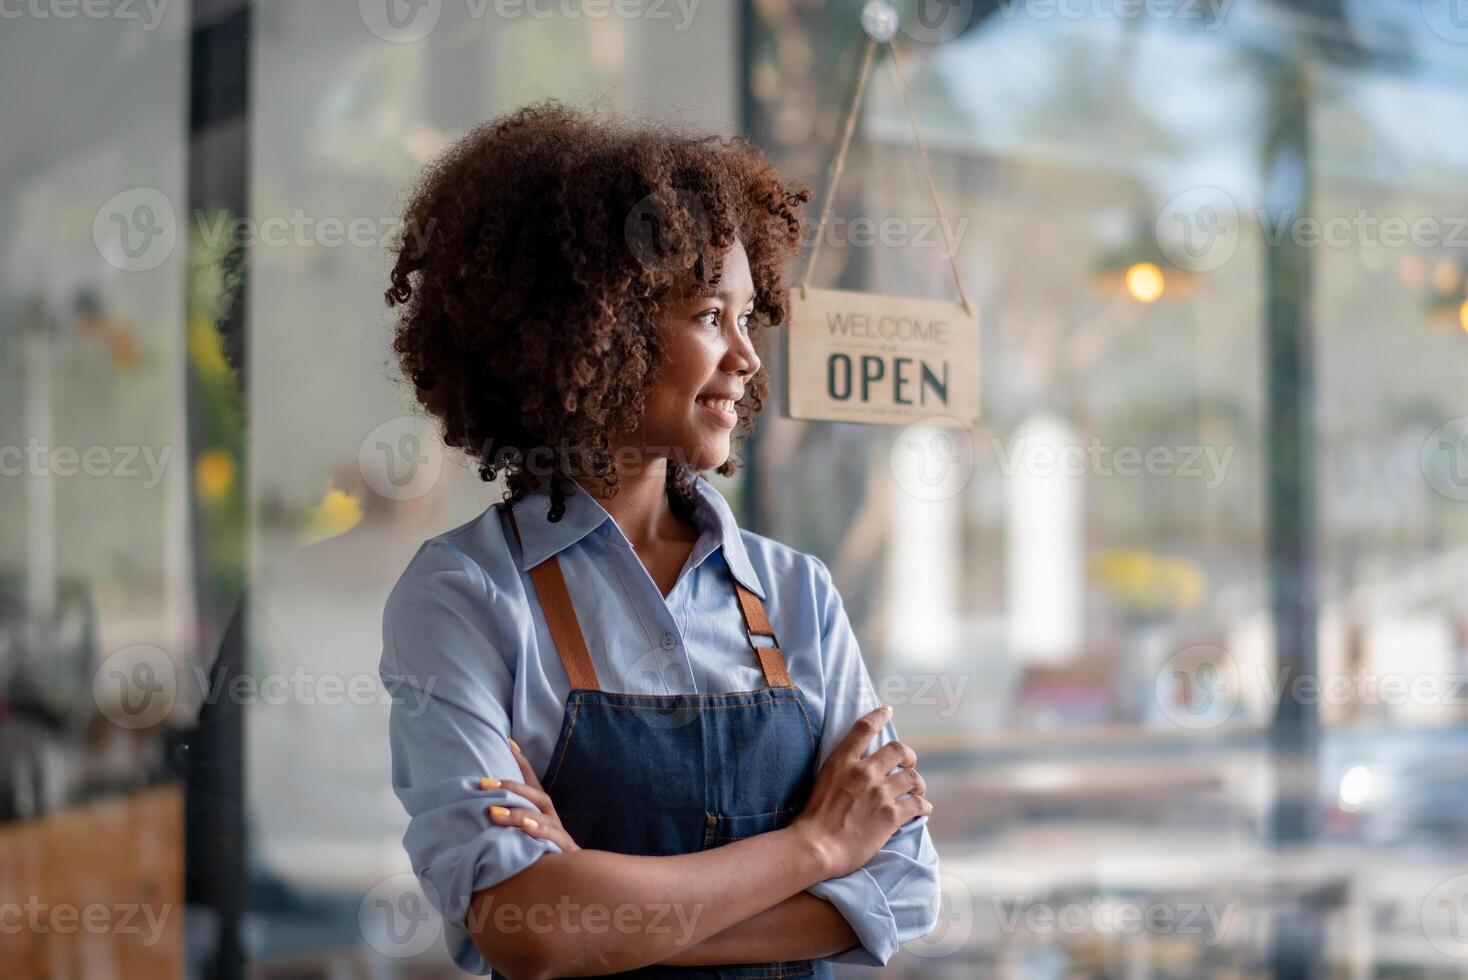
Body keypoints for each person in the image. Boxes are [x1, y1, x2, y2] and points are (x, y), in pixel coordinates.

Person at [378, 100, 939, 979]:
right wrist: (814, 851)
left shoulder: (799, 593)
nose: (748, 358)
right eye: (712, 315)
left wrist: (606, 913)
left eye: (751, 317)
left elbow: (903, 890)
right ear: (596, 328)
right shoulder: (466, 595)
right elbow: (529, 929)